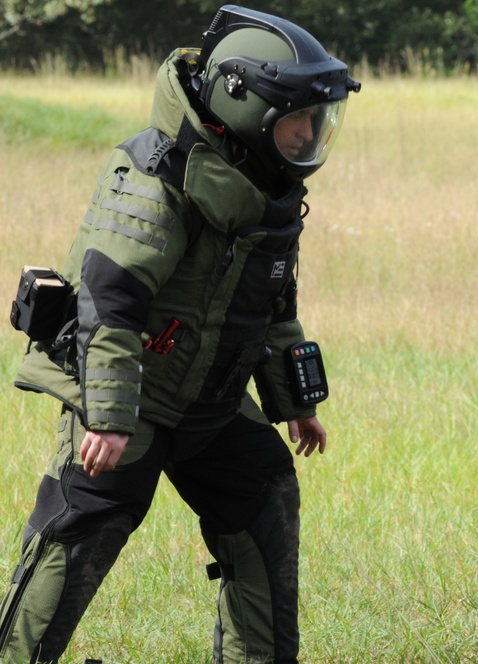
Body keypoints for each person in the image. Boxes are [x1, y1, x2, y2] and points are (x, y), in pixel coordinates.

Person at [0, 5, 360, 663]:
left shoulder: (267, 189)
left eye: (319, 124)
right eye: (299, 122)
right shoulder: (156, 173)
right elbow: (111, 301)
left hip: (209, 402)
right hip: (128, 396)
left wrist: (295, 404)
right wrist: (107, 419)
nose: (311, 138)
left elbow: (274, 306)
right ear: (244, 106)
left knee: (265, 495)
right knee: (87, 522)